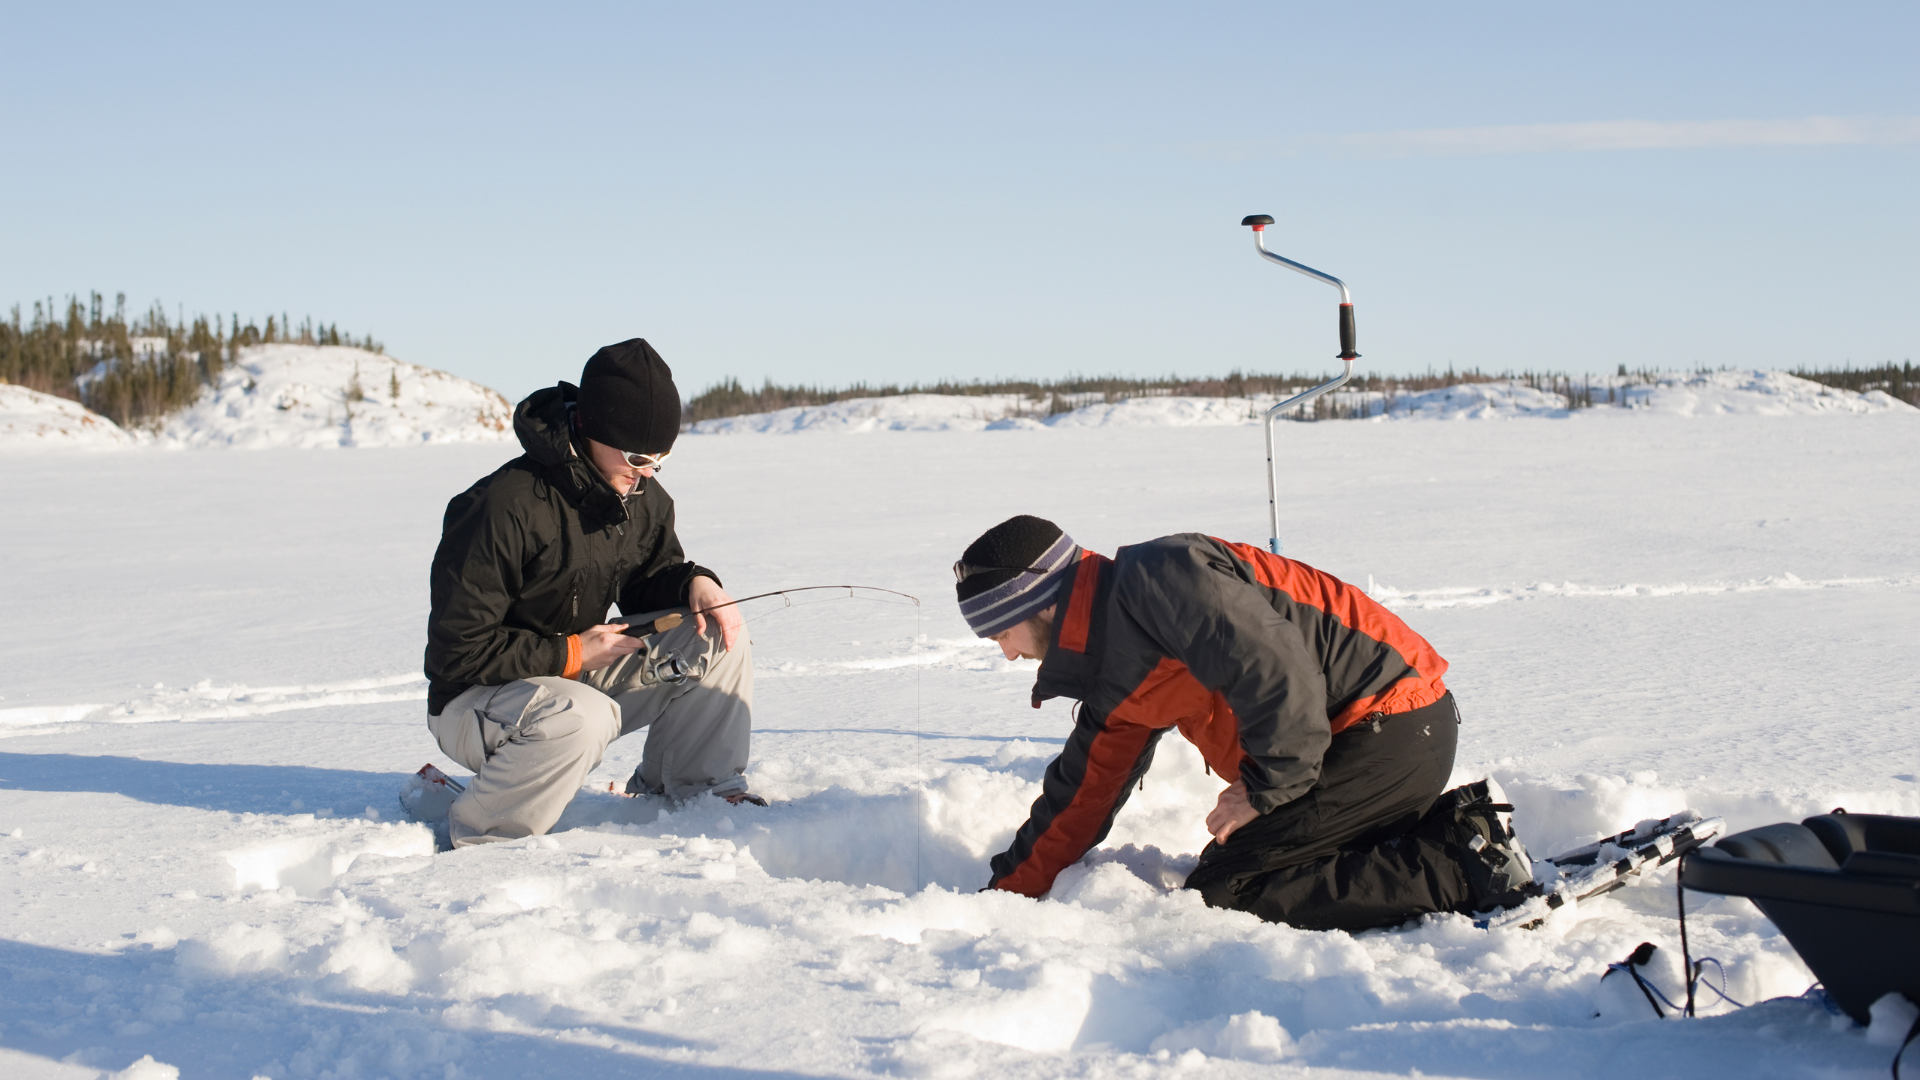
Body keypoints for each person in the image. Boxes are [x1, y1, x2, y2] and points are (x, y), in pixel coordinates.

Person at [958, 515, 1535, 931]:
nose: (1007, 655)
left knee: (1230, 889)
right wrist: (1002, 897)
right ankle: (1455, 837)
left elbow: (1278, 670)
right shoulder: (1112, 677)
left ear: (1034, 604)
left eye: (1001, 634)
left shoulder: (1157, 578)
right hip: (1353, 747)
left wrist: (1267, 788)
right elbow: (1079, 797)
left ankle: (1462, 866)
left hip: (1391, 719)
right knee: (1243, 872)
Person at [423, 338, 758, 849]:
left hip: (575, 674)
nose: (646, 472)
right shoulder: (501, 507)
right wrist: (574, 652)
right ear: (592, 429)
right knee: (580, 717)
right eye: (638, 456)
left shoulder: (638, 493)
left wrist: (695, 582)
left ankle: (695, 795)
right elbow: (457, 651)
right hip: (473, 700)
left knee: (714, 635)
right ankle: (488, 838)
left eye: (661, 459)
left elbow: (652, 574)